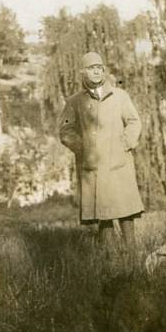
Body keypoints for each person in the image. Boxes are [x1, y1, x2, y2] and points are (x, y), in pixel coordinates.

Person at [59, 51, 144, 247]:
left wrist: (125, 143)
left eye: (99, 68)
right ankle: (110, 259)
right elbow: (65, 130)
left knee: (126, 211)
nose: (96, 72)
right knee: (103, 214)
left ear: (104, 71)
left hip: (119, 163)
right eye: (91, 68)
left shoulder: (120, 96)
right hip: (93, 166)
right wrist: (83, 148)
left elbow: (133, 122)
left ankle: (132, 257)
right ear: (83, 73)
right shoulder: (75, 102)